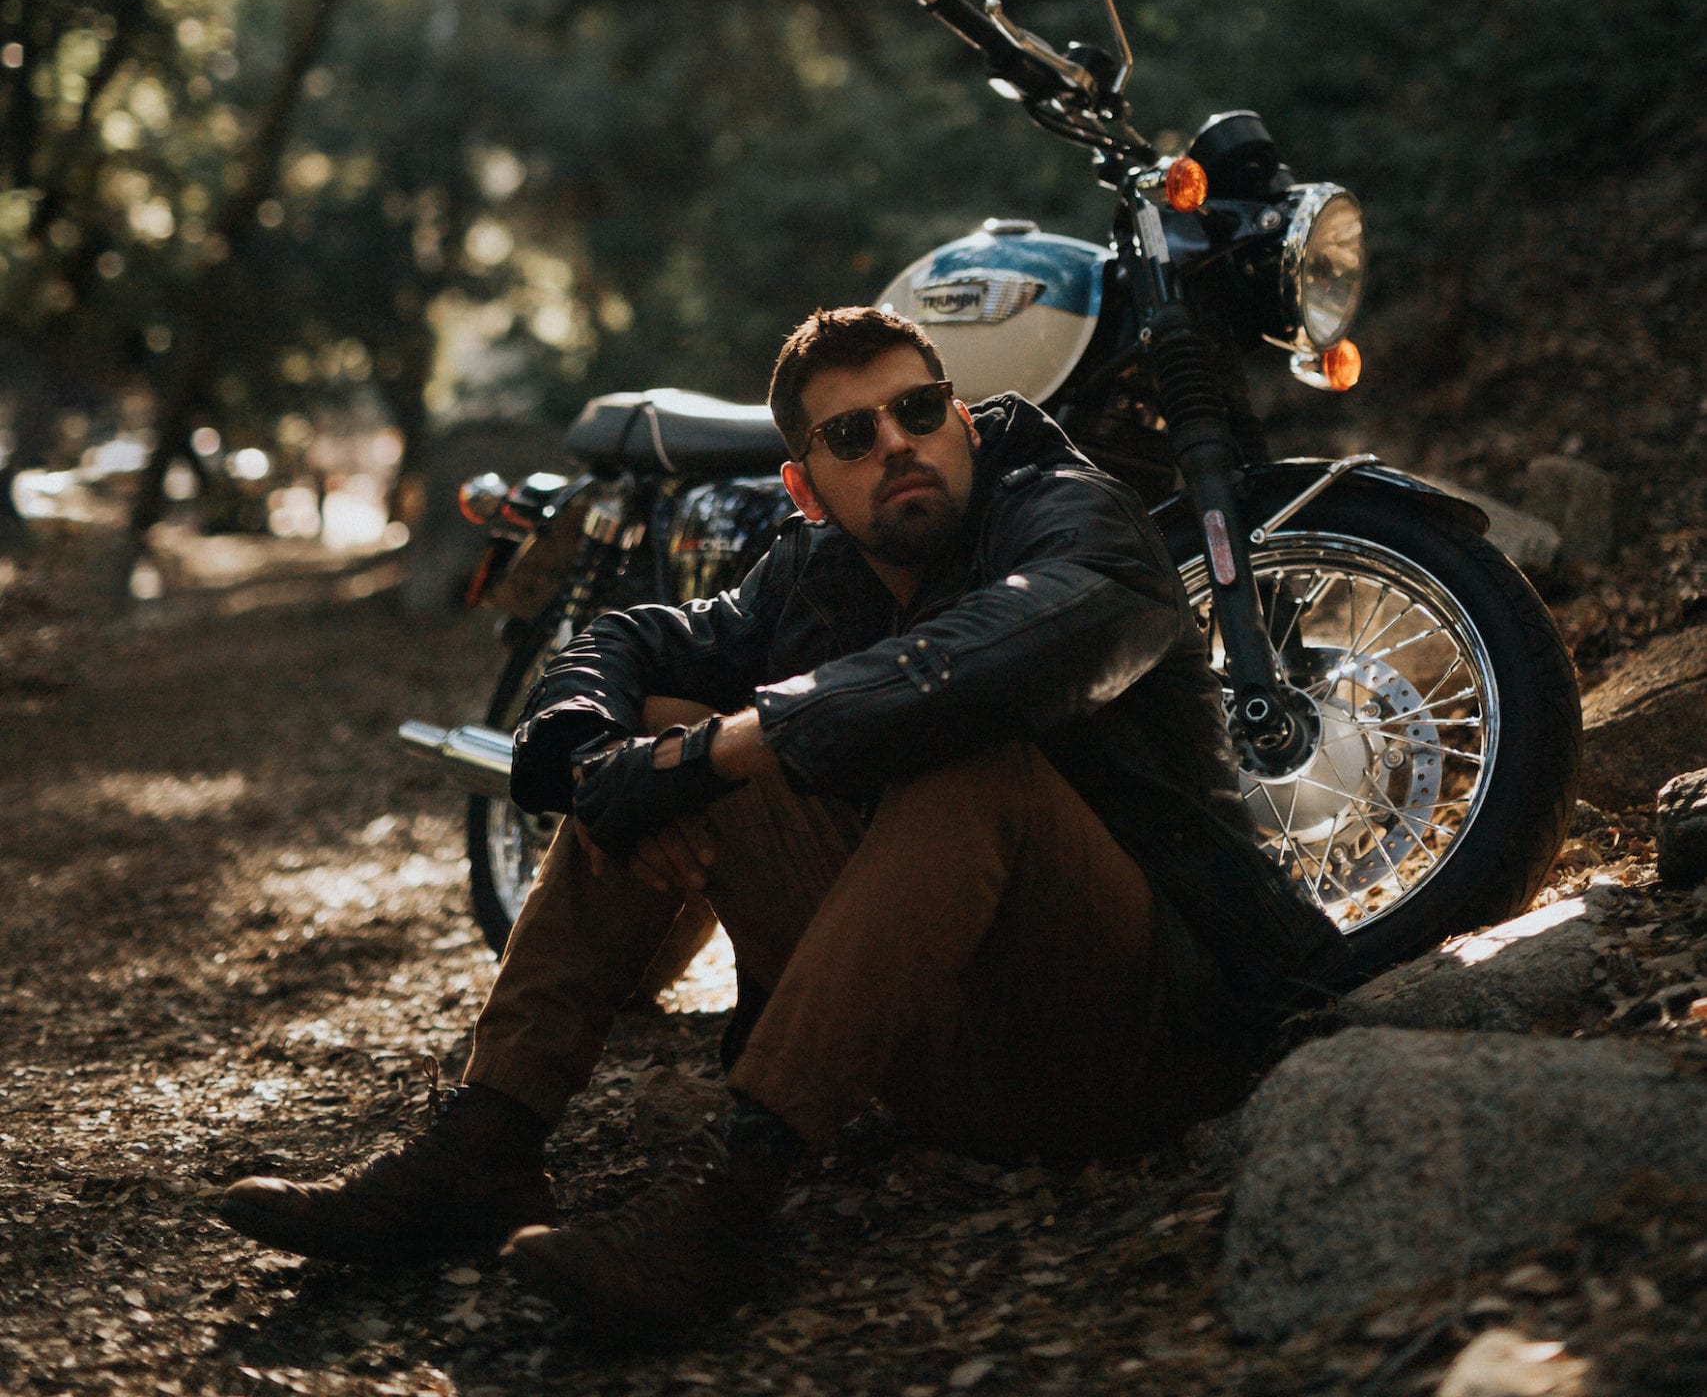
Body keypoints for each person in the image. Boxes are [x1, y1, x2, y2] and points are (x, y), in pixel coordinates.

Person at [218, 305, 1345, 1343]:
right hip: (936, 1054)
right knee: (652, 722)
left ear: (960, 416)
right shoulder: (811, 566)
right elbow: (634, 641)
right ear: (807, 488)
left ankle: (731, 1212)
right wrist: (590, 758)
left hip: (1141, 1033)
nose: (898, 445)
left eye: (917, 411)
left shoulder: (1066, 507)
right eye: (852, 435)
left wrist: (717, 752)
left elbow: (1019, 651)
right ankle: (487, 1146)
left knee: (967, 765)